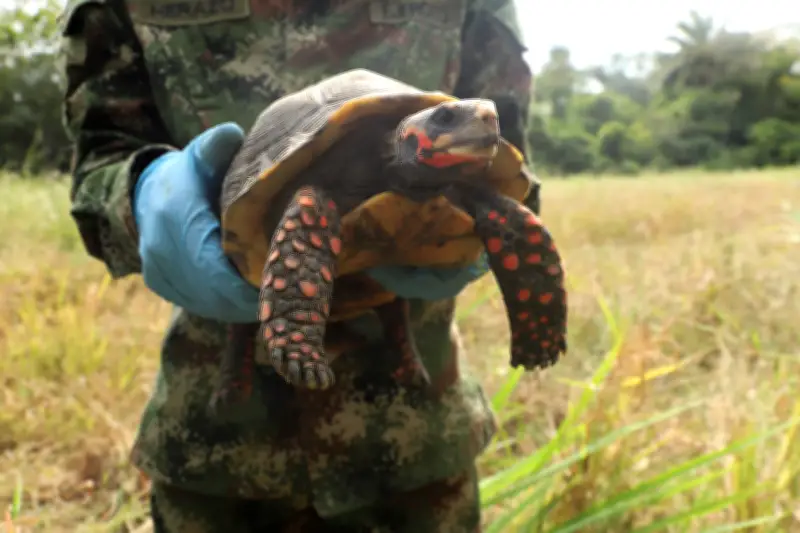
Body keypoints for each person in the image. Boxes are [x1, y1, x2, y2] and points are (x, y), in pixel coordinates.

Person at [58, 1, 539, 531]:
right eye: (451, 118)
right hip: (217, 436)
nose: (479, 121)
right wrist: (142, 195)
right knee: (310, 205)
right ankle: (292, 342)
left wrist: (521, 265)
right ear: (410, 135)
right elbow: (102, 153)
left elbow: (508, 150)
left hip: (415, 433)